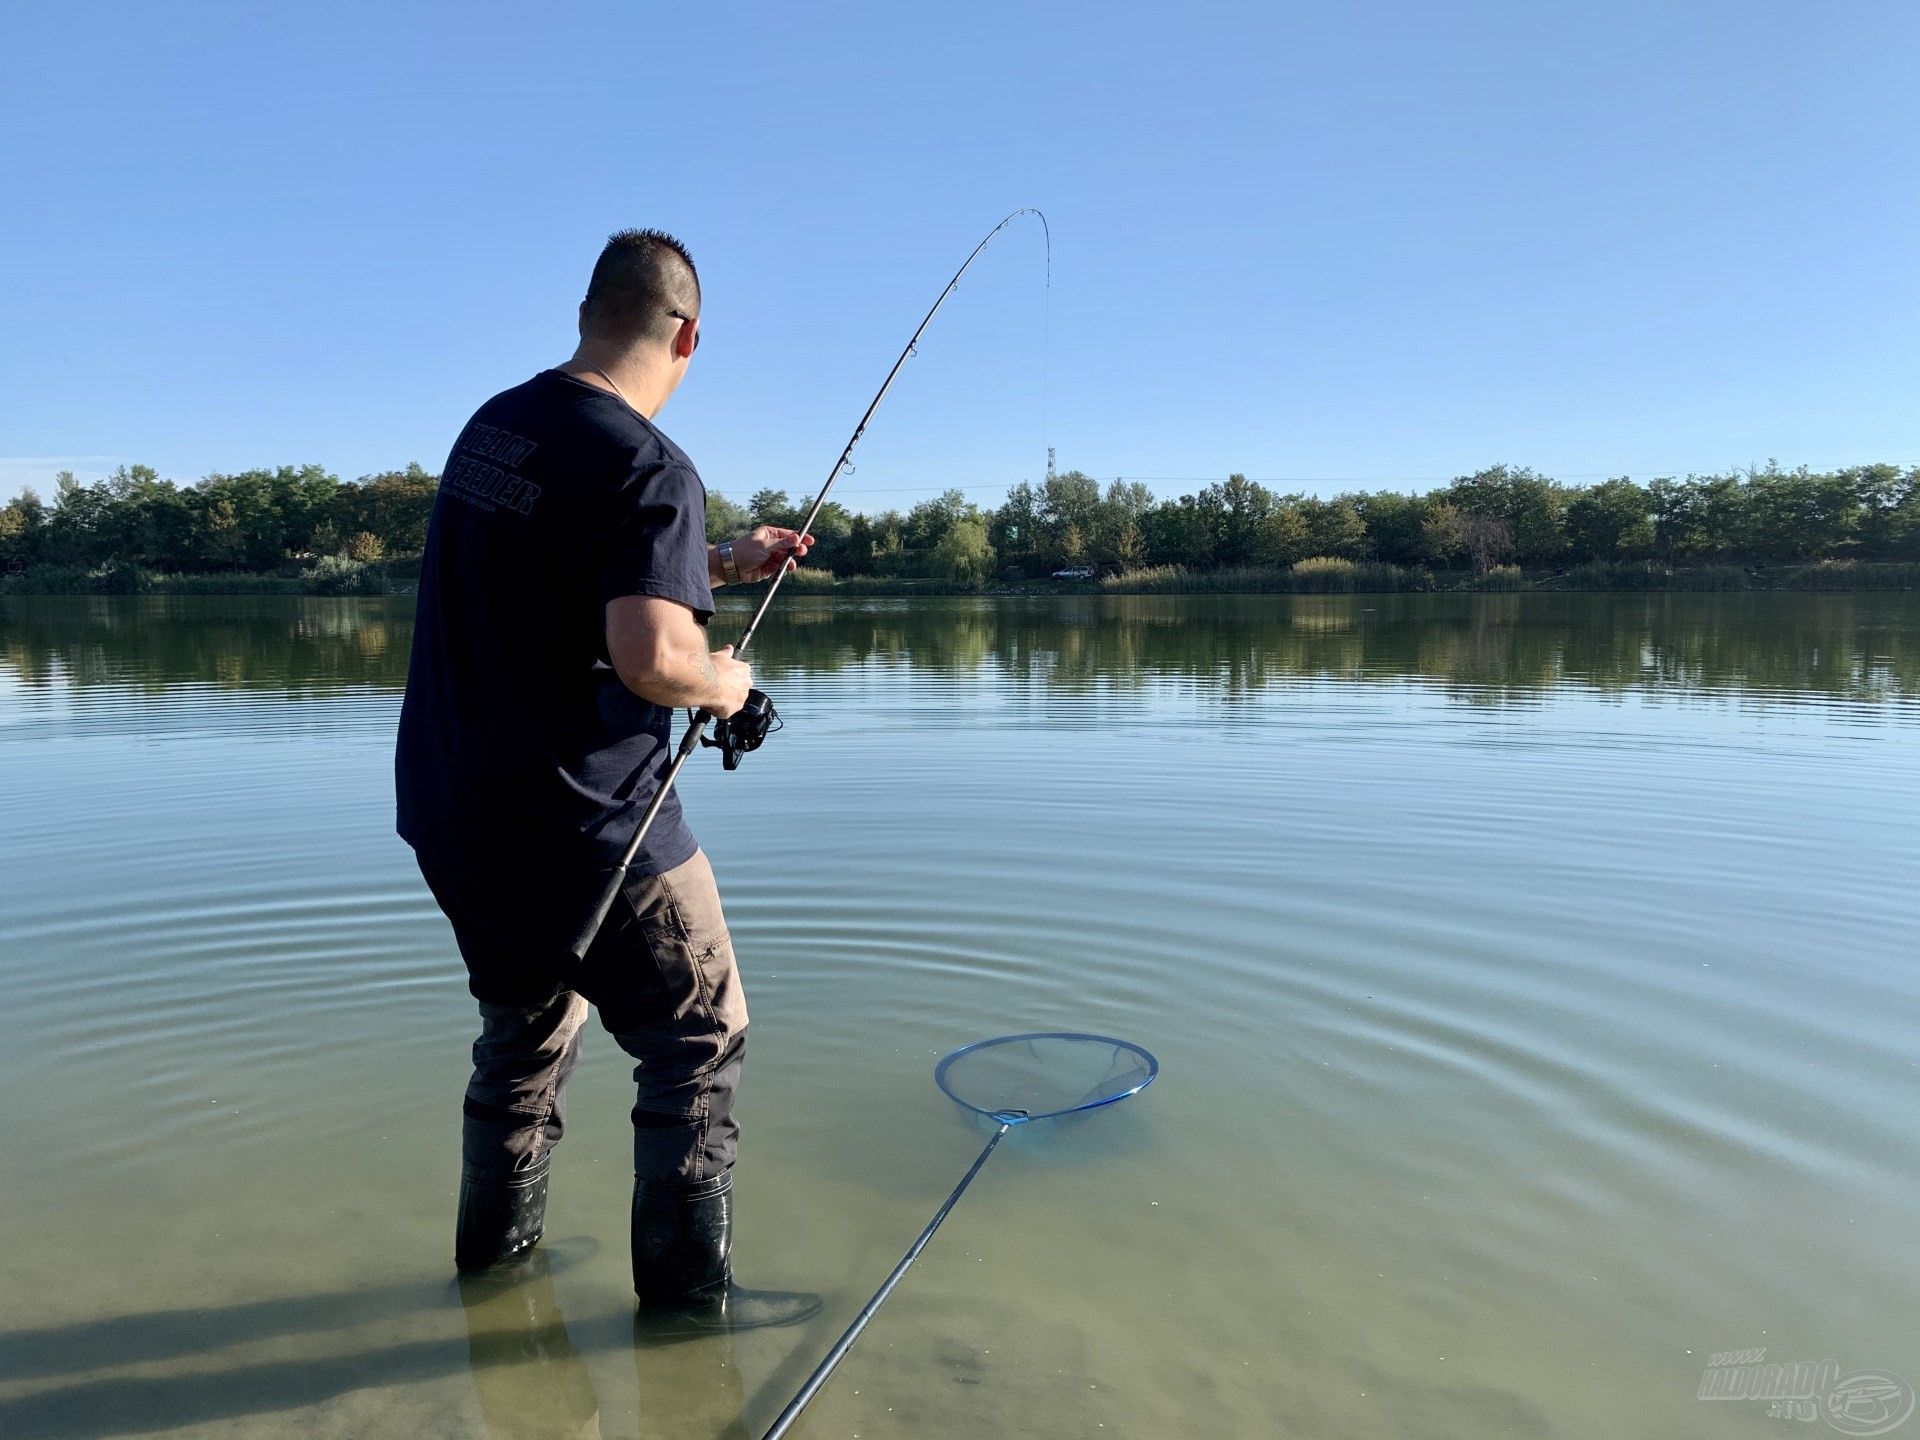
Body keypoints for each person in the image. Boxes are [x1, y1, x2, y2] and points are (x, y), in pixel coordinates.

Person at [396, 228, 820, 1335]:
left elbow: (564, 568)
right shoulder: (648, 462)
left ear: (591, 313)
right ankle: (686, 1329)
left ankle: (493, 1291)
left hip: (454, 811)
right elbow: (654, 662)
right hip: (587, 822)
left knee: (525, 1040)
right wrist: (727, 685)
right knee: (698, 1038)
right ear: (688, 336)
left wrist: (720, 562)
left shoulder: (498, 427)